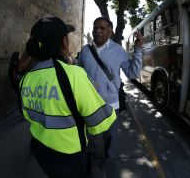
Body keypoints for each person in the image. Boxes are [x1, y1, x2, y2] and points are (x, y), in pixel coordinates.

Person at [19, 16, 117, 178]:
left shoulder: (26, 78)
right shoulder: (74, 75)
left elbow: (27, 115)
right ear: (64, 42)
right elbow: (99, 123)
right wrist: (93, 93)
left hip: (41, 152)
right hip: (70, 158)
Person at [77, 17, 143, 163]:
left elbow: (132, 73)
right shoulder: (85, 51)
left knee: (110, 136)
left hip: (111, 105)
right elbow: (78, 74)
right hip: (89, 104)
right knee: (91, 135)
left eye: (102, 28)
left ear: (110, 31)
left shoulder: (118, 51)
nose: (98, 31)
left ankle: (109, 157)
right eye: (95, 28)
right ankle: (92, 155)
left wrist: (138, 50)